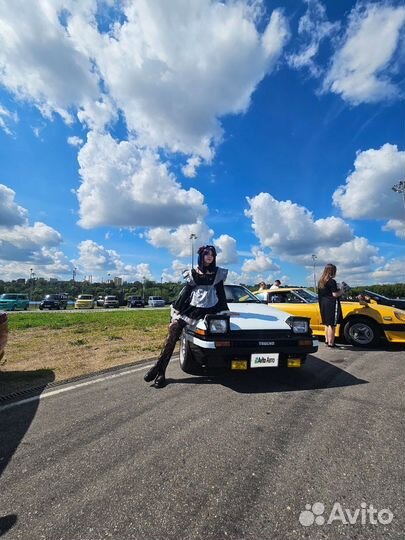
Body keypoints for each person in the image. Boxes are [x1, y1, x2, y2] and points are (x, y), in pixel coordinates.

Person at [144, 245, 229, 388]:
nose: (209, 256)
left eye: (212, 254)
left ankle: (156, 369)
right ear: (201, 256)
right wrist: (176, 312)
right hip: (193, 309)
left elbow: (221, 294)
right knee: (173, 331)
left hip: (210, 310)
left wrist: (224, 310)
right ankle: (161, 372)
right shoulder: (193, 273)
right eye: (206, 254)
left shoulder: (218, 273)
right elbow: (186, 294)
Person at [318, 264, 343, 348]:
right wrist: (342, 290)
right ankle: (331, 343)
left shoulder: (320, 281)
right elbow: (335, 294)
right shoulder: (332, 281)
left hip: (323, 304)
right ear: (332, 271)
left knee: (326, 324)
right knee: (332, 325)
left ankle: (326, 340)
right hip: (331, 304)